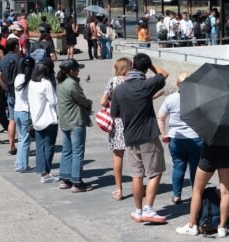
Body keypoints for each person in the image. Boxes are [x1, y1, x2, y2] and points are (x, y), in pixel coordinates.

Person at [111, 53, 169, 223]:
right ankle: (149, 209)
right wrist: (151, 65)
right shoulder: (146, 84)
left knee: (137, 175)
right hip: (148, 136)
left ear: (132, 67)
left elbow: (115, 113)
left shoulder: (119, 88)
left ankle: (137, 211)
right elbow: (164, 74)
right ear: (146, 67)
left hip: (129, 137)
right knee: (155, 172)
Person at [157, 71, 204, 204]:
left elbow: (160, 118)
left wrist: (163, 134)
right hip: (195, 138)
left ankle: (177, 195)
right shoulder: (198, 98)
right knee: (195, 167)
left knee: (178, 166)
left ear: (178, 84)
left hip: (176, 138)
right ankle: (196, 195)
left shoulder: (170, 99)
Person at [176, 142, 229, 237]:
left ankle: (192, 225)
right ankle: (222, 227)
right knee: (226, 192)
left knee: (197, 191)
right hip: (228, 153)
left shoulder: (209, 127)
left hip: (209, 153)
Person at [57, 59, 93, 193]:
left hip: (65, 120)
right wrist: (88, 104)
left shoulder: (60, 82)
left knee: (67, 150)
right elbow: (82, 100)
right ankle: (77, 182)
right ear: (71, 71)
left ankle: (65, 179)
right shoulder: (72, 84)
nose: (78, 72)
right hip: (75, 121)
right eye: (77, 69)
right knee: (77, 152)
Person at [100, 57, 132, 200]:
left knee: (118, 156)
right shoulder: (133, 81)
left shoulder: (113, 81)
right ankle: (140, 186)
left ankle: (119, 190)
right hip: (133, 121)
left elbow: (102, 101)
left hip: (117, 122)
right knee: (137, 155)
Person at [28, 59, 59, 183]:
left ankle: (41, 171)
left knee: (39, 146)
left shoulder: (31, 83)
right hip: (49, 119)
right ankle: (46, 174)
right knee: (49, 146)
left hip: (37, 119)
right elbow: (53, 101)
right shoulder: (46, 83)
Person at [0, 38, 22, 155]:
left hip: (9, 93)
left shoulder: (3, 60)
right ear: (16, 46)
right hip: (20, 93)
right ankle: (23, 145)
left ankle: (12, 145)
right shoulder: (20, 59)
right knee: (22, 120)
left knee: (12, 119)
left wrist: (5, 88)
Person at [14, 56, 35, 172]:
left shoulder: (18, 77)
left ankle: (18, 163)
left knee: (21, 139)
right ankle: (22, 165)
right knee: (26, 140)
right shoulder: (31, 80)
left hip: (17, 110)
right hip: (26, 112)